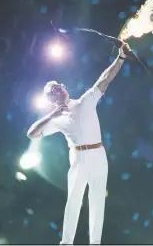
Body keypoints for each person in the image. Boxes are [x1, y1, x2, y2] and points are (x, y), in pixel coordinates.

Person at [26, 42, 129, 245]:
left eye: (58, 87)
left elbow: (105, 79)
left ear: (64, 88)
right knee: (74, 199)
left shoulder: (84, 102)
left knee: (97, 200)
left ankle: (95, 243)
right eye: (53, 91)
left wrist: (121, 57)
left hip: (98, 153)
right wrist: (50, 116)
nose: (58, 91)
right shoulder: (55, 118)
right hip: (78, 157)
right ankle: (66, 242)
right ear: (51, 99)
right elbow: (32, 134)